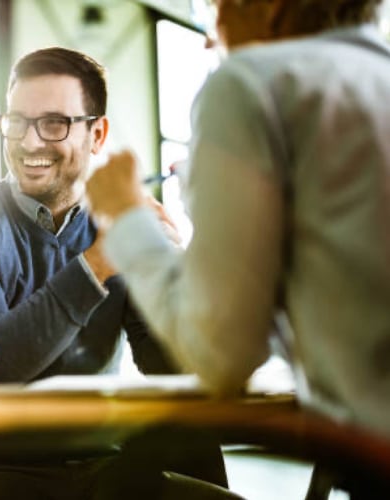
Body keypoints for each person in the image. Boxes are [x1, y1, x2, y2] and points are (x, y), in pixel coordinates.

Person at [0, 47, 227, 500]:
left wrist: (171, 268)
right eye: (17, 122)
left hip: (110, 466)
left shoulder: (115, 224)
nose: (29, 142)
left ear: (97, 134)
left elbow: (170, 368)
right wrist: (102, 260)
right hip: (2, 473)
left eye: (54, 123)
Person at [87, 0, 390, 441]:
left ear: (270, 6)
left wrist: (127, 217)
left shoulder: (252, 82)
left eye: (214, 11)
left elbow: (219, 356)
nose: (211, 38)